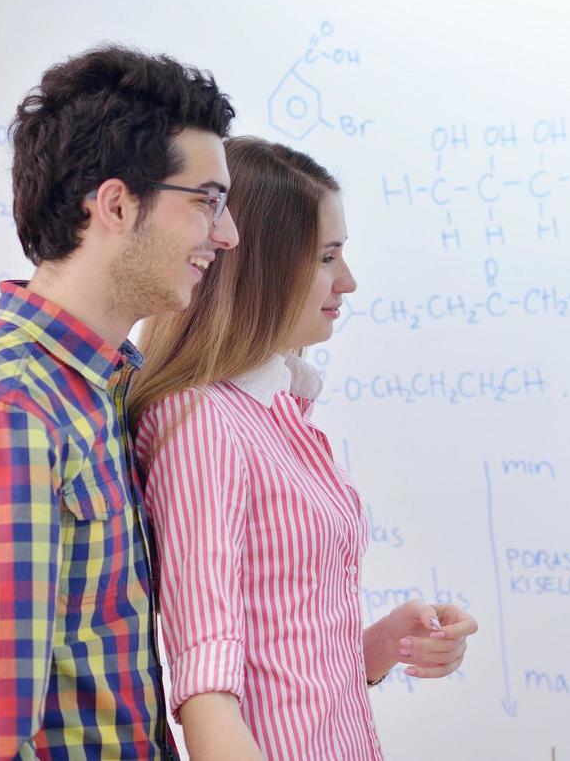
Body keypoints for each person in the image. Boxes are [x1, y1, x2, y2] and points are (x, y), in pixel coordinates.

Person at [0, 45, 239, 757]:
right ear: (115, 204)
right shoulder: (2, 414)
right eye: (207, 202)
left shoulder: (101, 391)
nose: (227, 235)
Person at [128, 137, 476, 760]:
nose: (348, 281)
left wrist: (382, 644)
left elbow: (283, 656)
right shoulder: (202, 419)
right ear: (256, 264)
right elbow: (207, 674)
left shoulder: (277, 410)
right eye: (326, 257)